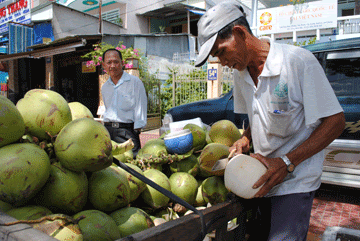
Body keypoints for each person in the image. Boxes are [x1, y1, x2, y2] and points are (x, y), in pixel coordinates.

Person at [195, 1, 345, 240]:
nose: (222, 62)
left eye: (221, 51)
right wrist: (245, 139)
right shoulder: (240, 73)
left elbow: (336, 122)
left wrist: (286, 162)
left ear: (240, 33)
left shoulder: (297, 62)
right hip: (261, 178)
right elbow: (256, 117)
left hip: (295, 181)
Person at [101, 48, 147, 159]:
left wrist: (135, 132)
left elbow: (141, 108)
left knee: (132, 164)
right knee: (111, 166)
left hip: (127, 132)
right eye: (109, 62)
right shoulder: (105, 87)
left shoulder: (135, 82)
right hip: (108, 131)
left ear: (122, 63)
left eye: (116, 62)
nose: (112, 65)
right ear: (103, 65)